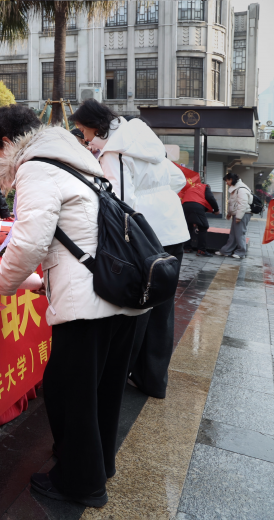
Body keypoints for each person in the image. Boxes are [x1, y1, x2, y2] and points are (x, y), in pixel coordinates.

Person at [0, 104, 146, 508]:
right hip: (117, 291)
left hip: (87, 303)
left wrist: (0, 283)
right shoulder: (78, 161)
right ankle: (97, 466)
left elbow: (30, 242)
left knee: (69, 393)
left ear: (7, 142)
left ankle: (80, 484)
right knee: (102, 391)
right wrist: (43, 283)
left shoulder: (37, 166)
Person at [69, 99, 189, 400]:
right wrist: (158, 197)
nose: (84, 137)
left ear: (95, 126)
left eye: (83, 130)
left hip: (147, 236)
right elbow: (178, 179)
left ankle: (125, 374)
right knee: (163, 306)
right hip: (173, 228)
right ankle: (154, 380)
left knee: (138, 307)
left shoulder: (116, 152)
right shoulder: (146, 140)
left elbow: (120, 201)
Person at [216, 172, 253, 259]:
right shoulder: (236, 188)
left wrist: (239, 217)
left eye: (227, 181)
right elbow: (233, 203)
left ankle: (241, 252)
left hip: (243, 214)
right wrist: (230, 213)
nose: (226, 183)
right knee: (233, 234)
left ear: (231, 179)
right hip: (239, 214)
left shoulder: (241, 189)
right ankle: (226, 251)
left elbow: (242, 204)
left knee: (240, 234)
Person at [182, 180, 219, 256]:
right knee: (203, 227)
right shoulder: (205, 187)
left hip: (185, 206)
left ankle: (187, 248)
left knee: (188, 227)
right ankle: (201, 250)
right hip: (197, 206)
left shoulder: (191, 187)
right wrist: (216, 210)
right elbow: (210, 198)